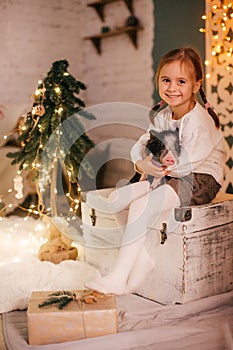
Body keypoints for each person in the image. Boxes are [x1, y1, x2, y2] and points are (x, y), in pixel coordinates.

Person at [85, 47, 227, 295]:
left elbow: (187, 165)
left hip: (199, 179)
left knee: (142, 205)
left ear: (196, 85)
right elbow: (139, 146)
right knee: (116, 199)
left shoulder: (200, 121)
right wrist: (143, 165)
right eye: (166, 80)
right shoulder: (162, 116)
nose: (172, 88)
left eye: (181, 81)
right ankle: (141, 258)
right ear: (158, 81)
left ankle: (118, 277)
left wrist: (155, 169)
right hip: (165, 175)